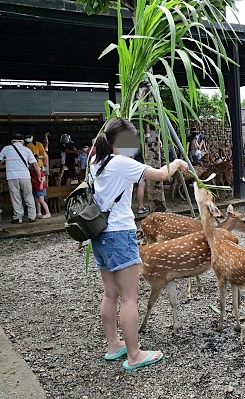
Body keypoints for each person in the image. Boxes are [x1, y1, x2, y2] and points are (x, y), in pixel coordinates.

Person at [89, 117, 188, 371]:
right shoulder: (122, 162)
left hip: (99, 234)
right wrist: (177, 162)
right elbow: (162, 175)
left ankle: (114, 345)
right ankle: (134, 355)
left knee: (110, 293)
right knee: (130, 298)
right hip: (120, 234)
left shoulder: (95, 161)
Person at [0, 133, 42, 224]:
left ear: (12, 141)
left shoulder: (6, 149)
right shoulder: (27, 150)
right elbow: (35, 164)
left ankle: (18, 217)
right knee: (28, 195)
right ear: (22, 141)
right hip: (25, 176)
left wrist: (5, 161)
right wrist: (39, 176)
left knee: (15, 196)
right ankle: (32, 216)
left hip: (12, 176)